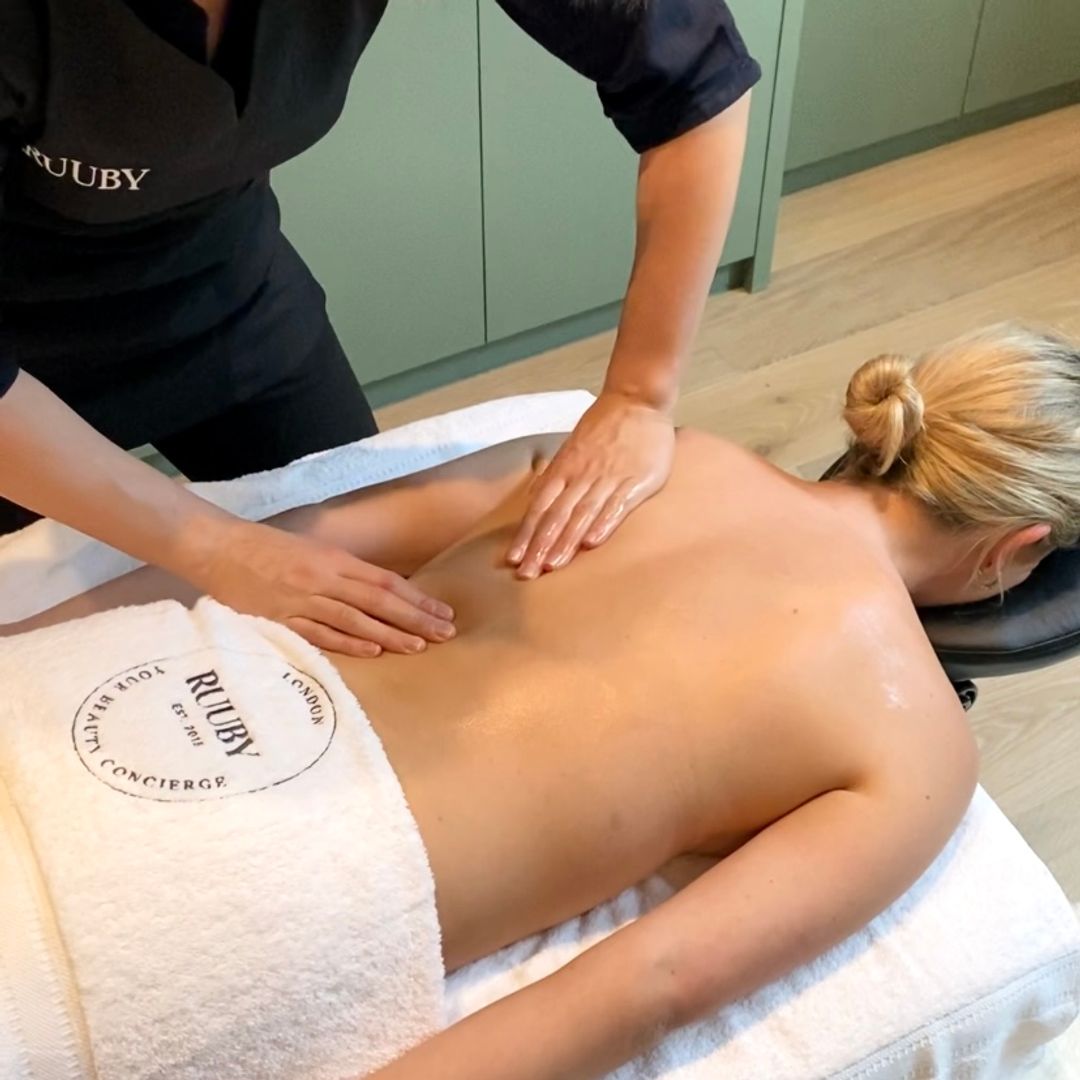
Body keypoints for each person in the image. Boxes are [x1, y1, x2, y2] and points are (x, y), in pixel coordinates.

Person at [4, 325, 1075, 1078]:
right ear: (1020, 548)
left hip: (109, 717)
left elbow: (284, 551)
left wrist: (21, 659)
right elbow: (649, 986)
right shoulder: (918, 746)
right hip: (219, 913)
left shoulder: (632, 461)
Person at [0, 0, 759, 658]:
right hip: (24, 335)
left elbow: (695, 78)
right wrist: (212, 546)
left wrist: (639, 394)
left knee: (371, 601)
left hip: (227, 292)